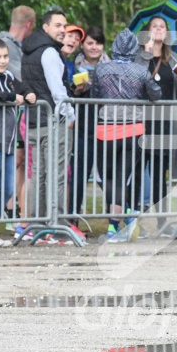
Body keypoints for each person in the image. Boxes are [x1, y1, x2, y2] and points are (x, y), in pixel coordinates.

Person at [91, 28, 161, 243]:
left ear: (114, 48)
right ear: (133, 49)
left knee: (109, 177)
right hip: (133, 130)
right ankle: (123, 218)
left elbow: (94, 96)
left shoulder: (101, 69)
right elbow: (156, 94)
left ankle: (115, 225)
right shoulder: (140, 71)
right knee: (123, 177)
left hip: (106, 130)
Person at [20, 10, 77, 241]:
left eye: (64, 25)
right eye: (57, 25)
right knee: (57, 176)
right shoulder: (50, 52)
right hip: (53, 121)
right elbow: (57, 89)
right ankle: (56, 226)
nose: (63, 29)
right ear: (45, 28)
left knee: (37, 175)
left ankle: (36, 227)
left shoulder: (29, 51)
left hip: (34, 121)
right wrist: (70, 114)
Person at [0, 38, 36, 247]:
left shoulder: (9, 76)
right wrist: (13, 96)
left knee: (7, 189)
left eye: (5, 57)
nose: (2, 61)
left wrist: (28, 93)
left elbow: (23, 86)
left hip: (9, 142)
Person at [135, 16, 177, 233]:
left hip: (164, 123)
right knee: (136, 171)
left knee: (159, 175)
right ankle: (133, 219)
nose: (157, 29)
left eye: (161, 27)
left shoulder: (172, 59)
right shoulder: (138, 57)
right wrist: (145, 54)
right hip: (140, 121)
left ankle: (162, 221)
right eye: (154, 26)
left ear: (166, 33)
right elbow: (134, 81)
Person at [0, 5, 36, 232]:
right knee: (13, 161)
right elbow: (19, 76)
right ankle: (9, 211)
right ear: (29, 25)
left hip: (21, 113)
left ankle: (16, 212)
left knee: (20, 161)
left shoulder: (19, 47)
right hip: (9, 116)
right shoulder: (5, 47)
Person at [68, 26, 110, 225]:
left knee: (107, 176)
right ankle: (72, 221)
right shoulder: (72, 66)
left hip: (106, 128)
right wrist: (76, 91)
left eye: (98, 43)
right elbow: (67, 96)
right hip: (82, 129)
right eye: (90, 43)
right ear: (83, 45)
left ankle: (116, 220)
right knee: (78, 176)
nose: (94, 47)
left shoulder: (112, 67)